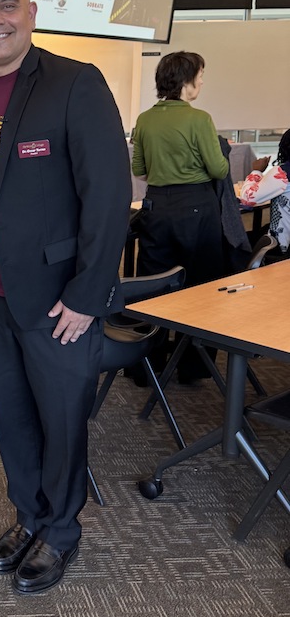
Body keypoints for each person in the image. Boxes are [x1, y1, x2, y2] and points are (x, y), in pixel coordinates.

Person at [0, 0, 131, 594]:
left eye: (6, 5)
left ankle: (60, 530)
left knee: (61, 420)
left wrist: (86, 294)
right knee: (12, 417)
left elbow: (106, 198)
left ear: (31, 12)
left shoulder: (75, 83)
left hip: (59, 300)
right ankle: (29, 514)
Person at [131, 51, 229, 381]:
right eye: (200, 75)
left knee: (153, 287)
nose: (202, 81)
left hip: (156, 208)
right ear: (187, 80)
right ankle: (192, 367)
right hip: (196, 209)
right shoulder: (199, 119)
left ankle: (148, 365)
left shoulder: (145, 119)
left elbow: (139, 169)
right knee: (200, 288)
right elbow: (218, 168)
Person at [240, 129, 290, 257]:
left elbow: (247, 197)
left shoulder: (283, 173)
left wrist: (256, 171)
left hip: (282, 245)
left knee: (242, 243)